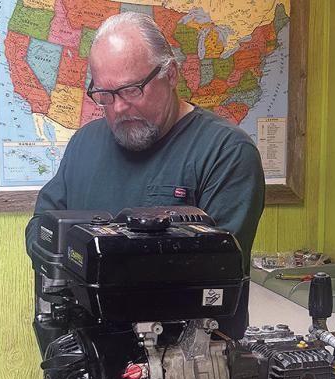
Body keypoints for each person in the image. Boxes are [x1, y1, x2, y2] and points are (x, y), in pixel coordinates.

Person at [25, 11, 265, 338]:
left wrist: (89, 260)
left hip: (183, 368)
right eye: (105, 96)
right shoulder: (84, 143)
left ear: (170, 74)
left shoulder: (226, 152)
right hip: (83, 363)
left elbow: (213, 268)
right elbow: (40, 229)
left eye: (132, 90)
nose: (119, 107)